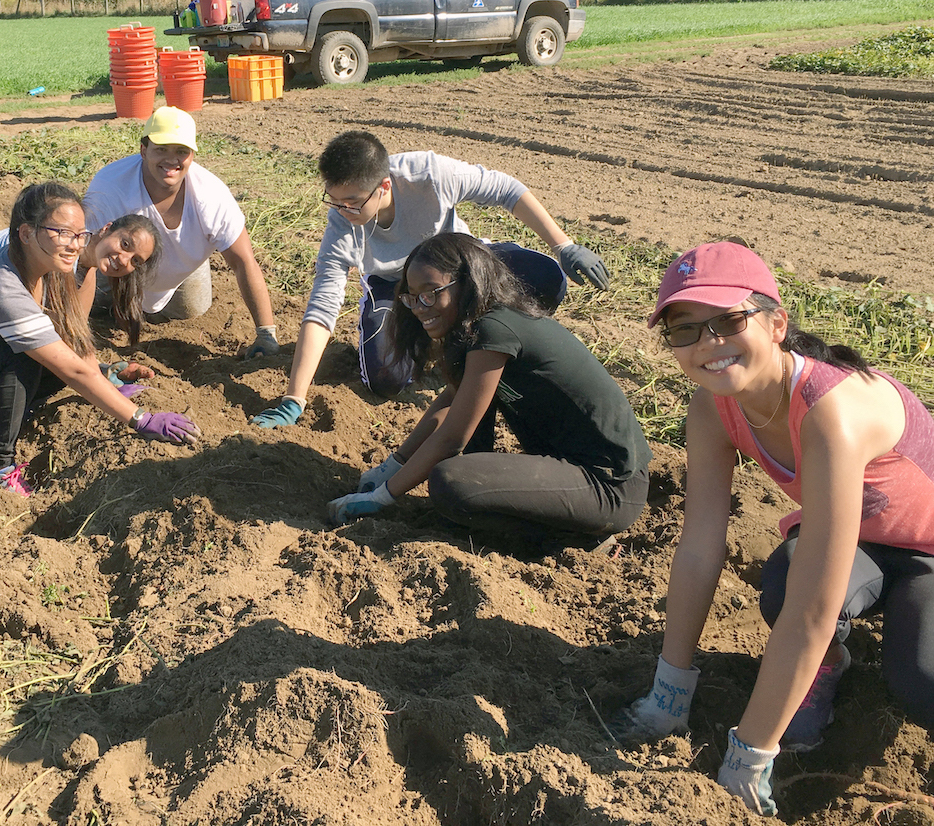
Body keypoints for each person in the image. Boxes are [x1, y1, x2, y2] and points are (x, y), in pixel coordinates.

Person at [621, 241, 934, 816]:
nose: (708, 344)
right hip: (859, 539)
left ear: (776, 323)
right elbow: (699, 544)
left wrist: (750, 755)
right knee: (787, 581)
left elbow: (816, 610)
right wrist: (670, 691)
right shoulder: (713, 406)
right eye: (684, 329)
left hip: (927, 551)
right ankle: (824, 668)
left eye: (728, 321)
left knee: (921, 679)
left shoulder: (831, 412)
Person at [252, 131, 609, 428]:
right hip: (396, 289)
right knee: (385, 379)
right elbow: (323, 306)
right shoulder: (342, 225)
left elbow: (506, 189)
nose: (344, 211)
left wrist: (563, 246)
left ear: (384, 187)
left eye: (353, 202)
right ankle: (439, 344)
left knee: (546, 277)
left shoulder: (430, 175)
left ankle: (490, 345)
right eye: (334, 202)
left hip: (461, 268)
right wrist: (293, 399)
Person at [326, 233, 650, 544]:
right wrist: (394, 465)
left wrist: (382, 497)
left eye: (431, 292)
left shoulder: (494, 328)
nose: (420, 306)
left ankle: (570, 537)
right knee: (457, 475)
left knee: (451, 484)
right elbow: (451, 401)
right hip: (575, 471)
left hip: (609, 486)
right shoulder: (478, 327)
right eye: (412, 296)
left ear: (468, 283)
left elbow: (452, 438)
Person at [0, 183, 199, 496]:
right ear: (26, 233)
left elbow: (74, 344)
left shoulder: (50, 272)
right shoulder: (2, 288)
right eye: (62, 233)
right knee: (25, 353)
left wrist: (105, 377)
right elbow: (73, 369)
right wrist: (141, 419)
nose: (75, 245)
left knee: (45, 350)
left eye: (79, 235)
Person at [82, 106, 280, 358]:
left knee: (192, 309)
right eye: (161, 150)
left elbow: (243, 262)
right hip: (114, 271)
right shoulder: (112, 184)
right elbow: (83, 251)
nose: (171, 160)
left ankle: (157, 297)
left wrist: (266, 333)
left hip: (180, 268)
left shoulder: (211, 196)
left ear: (192, 156)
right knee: (95, 305)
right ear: (143, 150)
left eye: (181, 151)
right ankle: (113, 305)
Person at [0, 214, 162, 347]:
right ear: (107, 228)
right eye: (125, 244)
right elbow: (38, 333)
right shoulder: (61, 250)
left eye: (136, 261)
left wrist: (104, 372)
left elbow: (73, 339)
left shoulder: (87, 270)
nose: (124, 260)